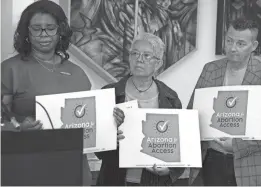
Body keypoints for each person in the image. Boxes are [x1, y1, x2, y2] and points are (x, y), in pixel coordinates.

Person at [1, 0, 92, 185]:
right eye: (36, 28)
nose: (44, 34)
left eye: (50, 28)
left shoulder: (78, 73)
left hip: (73, 171)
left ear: (61, 31)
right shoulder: (9, 70)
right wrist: (17, 128)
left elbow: (91, 121)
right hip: (26, 169)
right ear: (26, 32)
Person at [95, 32, 186, 186]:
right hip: (114, 179)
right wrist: (109, 137)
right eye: (135, 54)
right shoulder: (109, 94)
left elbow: (181, 145)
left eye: (146, 55)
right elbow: (98, 148)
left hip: (154, 181)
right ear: (129, 59)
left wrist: (171, 169)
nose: (139, 59)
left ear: (158, 63)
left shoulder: (170, 98)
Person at [188, 18, 261, 186]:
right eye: (229, 41)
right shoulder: (210, 69)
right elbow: (192, 113)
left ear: (254, 46)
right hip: (211, 159)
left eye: (241, 43)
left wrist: (237, 145)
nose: (232, 48)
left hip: (249, 165)